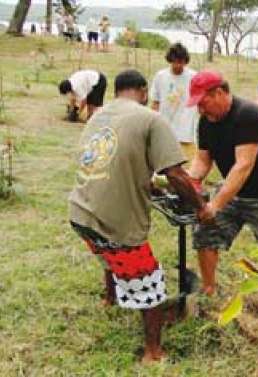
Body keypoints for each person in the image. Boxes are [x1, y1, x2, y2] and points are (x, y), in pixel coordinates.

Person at [69, 69, 209, 362]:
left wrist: (146, 186)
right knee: (151, 284)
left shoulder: (99, 115)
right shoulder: (150, 119)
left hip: (80, 213)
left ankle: (111, 298)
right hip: (113, 224)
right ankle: (153, 352)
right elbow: (176, 176)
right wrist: (201, 207)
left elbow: (111, 160)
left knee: (107, 256)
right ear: (144, 91)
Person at [186, 70, 258, 296]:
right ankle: (209, 290)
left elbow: (243, 165)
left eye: (203, 103)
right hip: (233, 193)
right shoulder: (205, 122)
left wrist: (215, 205)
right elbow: (203, 160)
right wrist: (188, 182)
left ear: (220, 93)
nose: (200, 110)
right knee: (205, 233)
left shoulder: (247, 114)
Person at [150, 43, 199, 162]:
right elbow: (155, 102)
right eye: (175, 61)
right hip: (166, 126)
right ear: (170, 60)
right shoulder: (160, 76)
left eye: (181, 62)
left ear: (185, 61)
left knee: (187, 164)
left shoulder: (193, 77)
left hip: (186, 129)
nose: (178, 65)